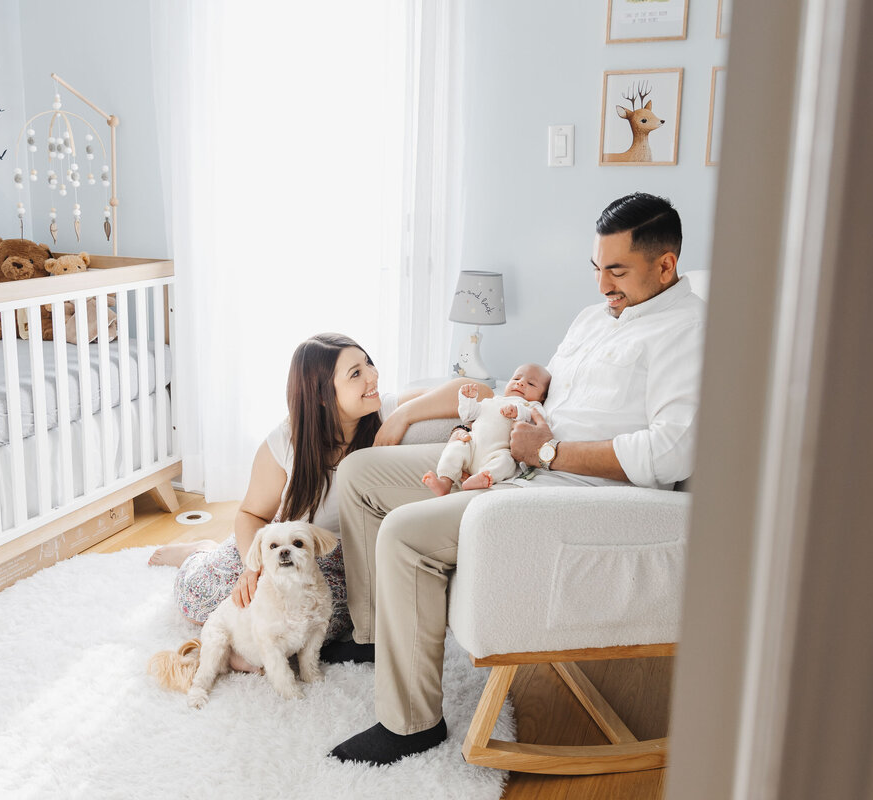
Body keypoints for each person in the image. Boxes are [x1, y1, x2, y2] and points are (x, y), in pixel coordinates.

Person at [327, 192, 707, 765]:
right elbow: (569, 391)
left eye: (617, 271)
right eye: (597, 268)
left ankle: (410, 726)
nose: (602, 285)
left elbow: (671, 452)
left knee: (405, 533)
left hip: (569, 492)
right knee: (360, 475)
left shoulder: (686, 332)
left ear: (666, 265)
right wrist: (524, 397)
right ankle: (373, 635)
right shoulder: (595, 317)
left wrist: (551, 451)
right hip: (518, 452)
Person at [147, 332, 476, 668]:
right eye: (356, 373)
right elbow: (250, 513)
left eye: (369, 364)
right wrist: (253, 567)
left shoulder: (385, 409)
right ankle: (198, 552)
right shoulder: (285, 442)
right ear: (321, 396)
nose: (372, 376)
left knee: (300, 633)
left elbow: (477, 391)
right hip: (278, 544)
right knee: (198, 600)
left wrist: (401, 417)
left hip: (335, 560)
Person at [421, 363, 551, 496]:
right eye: (516, 379)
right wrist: (468, 399)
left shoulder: (531, 406)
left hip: (498, 452)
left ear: (542, 397)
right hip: (472, 446)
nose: (521, 383)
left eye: (531, 383)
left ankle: (482, 477)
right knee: (455, 447)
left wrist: (518, 411)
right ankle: (444, 481)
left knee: (506, 463)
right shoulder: (492, 401)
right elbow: (468, 416)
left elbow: (537, 418)